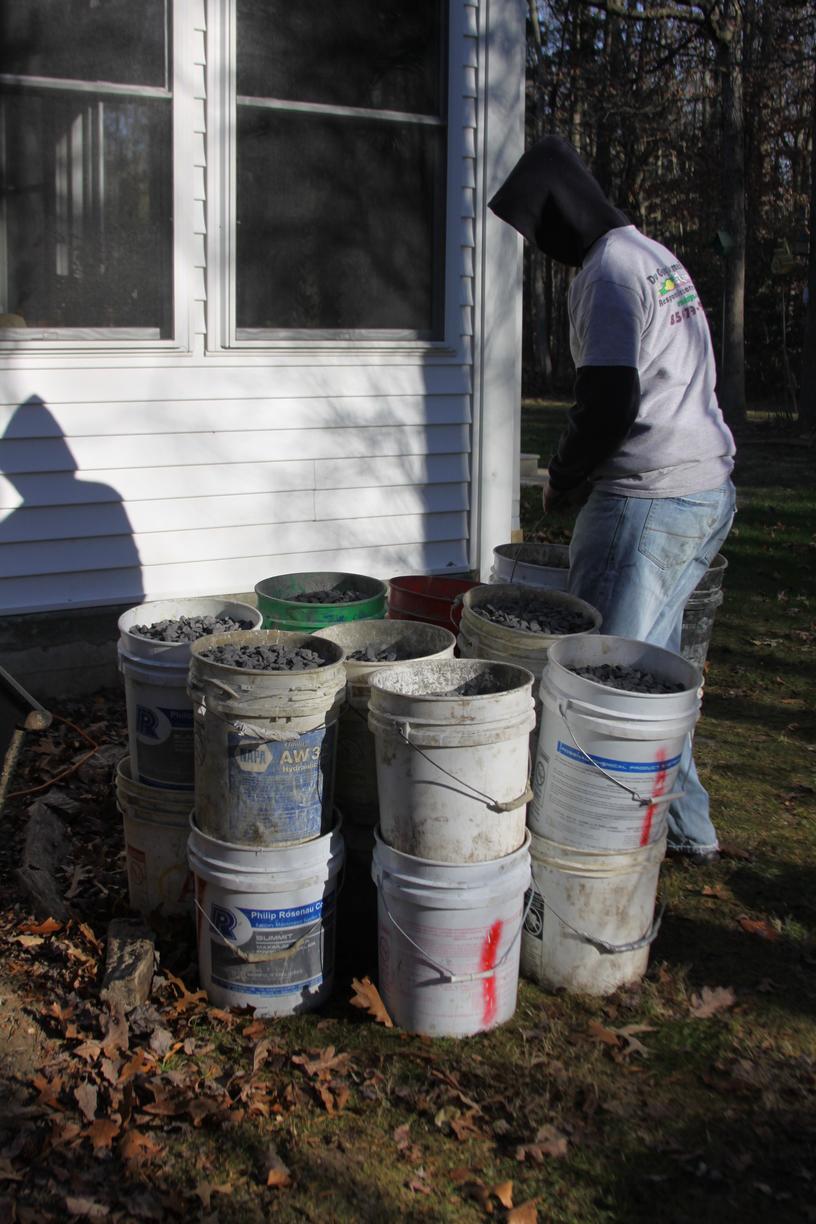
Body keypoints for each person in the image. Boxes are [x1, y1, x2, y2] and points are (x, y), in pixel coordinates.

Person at [489, 135, 736, 864]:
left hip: (647, 502)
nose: (542, 248)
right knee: (648, 677)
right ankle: (689, 830)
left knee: (595, 686)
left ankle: (587, 847)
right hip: (703, 489)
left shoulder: (608, 273)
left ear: (560, 215)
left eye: (539, 231)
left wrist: (564, 477)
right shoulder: (654, 256)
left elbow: (608, 401)